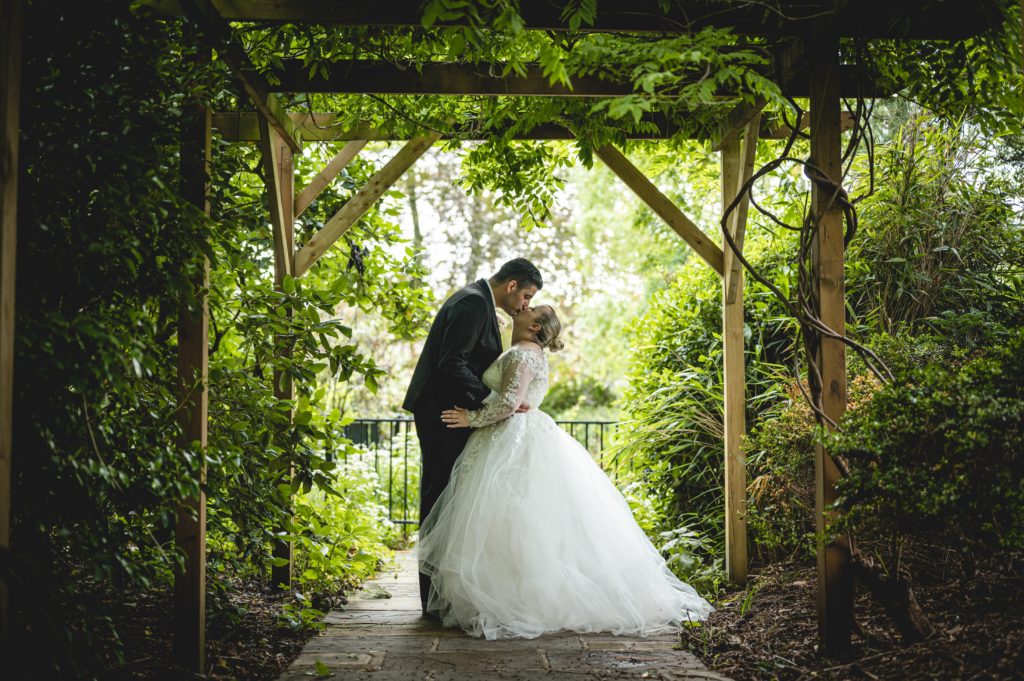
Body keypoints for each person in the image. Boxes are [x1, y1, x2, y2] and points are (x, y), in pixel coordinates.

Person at [419, 305, 713, 640]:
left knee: (508, 516)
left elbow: (509, 404)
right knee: (524, 519)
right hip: (523, 433)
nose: (525, 306)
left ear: (535, 327)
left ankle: (514, 599)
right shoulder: (532, 351)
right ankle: (521, 593)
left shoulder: (521, 352)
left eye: (533, 308)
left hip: (510, 437)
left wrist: (469, 418)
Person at [403, 258, 543, 613]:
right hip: (445, 415)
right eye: (526, 295)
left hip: (451, 412)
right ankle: (433, 600)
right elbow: (451, 363)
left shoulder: (478, 301)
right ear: (511, 285)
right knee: (439, 499)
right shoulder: (471, 303)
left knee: (450, 498)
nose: (525, 305)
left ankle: (443, 595)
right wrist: (493, 402)